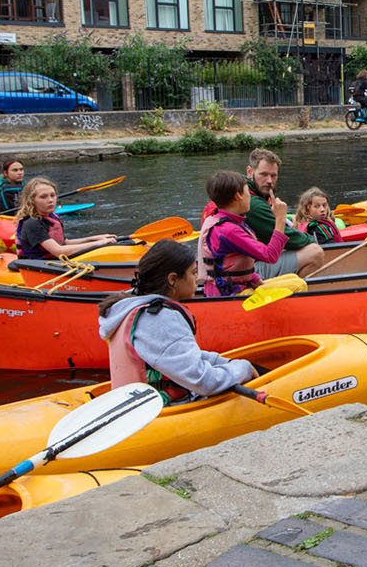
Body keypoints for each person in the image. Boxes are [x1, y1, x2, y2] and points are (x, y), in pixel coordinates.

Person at [98, 239, 256, 396]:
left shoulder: (129, 306)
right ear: (172, 279)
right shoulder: (159, 319)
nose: (198, 278)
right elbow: (204, 381)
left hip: (134, 403)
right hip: (161, 411)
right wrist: (244, 369)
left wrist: (224, 363)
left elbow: (178, 353)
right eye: (193, 272)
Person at [201, 171, 287, 297]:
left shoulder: (225, 220)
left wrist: (258, 281)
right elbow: (271, 256)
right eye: (247, 192)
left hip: (235, 286)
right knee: (298, 285)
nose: (250, 197)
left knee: (292, 278)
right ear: (238, 196)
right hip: (230, 293)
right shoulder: (229, 230)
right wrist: (280, 219)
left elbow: (233, 264)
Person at [241, 149, 324, 278]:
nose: (269, 180)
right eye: (263, 174)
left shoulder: (251, 193)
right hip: (248, 272)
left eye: (273, 175)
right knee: (315, 252)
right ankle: (297, 295)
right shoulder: (254, 204)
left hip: (246, 265)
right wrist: (311, 239)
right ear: (250, 172)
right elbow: (287, 238)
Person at [15, 177, 118, 261]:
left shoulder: (52, 217)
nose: (50, 200)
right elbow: (58, 251)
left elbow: (64, 243)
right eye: (43, 197)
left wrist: (93, 238)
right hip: (37, 267)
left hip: (54, 261)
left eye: (52, 195)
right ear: (32, 201)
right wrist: (97, 244)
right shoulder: (32, 224)